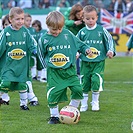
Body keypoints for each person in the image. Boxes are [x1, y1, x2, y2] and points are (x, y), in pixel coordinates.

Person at [38, 11, 92, 124]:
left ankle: (71, 110)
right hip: (55, 73)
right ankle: (54, 116)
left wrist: (86, 49)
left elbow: (79, 44)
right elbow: (41, 55)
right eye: (54, 30)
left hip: (70, 71)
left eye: (59, 29)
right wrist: (45, 68)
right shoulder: (44, 39)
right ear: (48, 26)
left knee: (78, 90)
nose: (57, 32)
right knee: (53, 94)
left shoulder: (68, 34)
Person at [76, 5, 116, 112]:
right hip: (85, 62)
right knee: (84, 82)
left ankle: (95, 102)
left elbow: (110, 40)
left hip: (98, 62)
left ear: (97, 18)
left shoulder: (102, 30)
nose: (90, 21)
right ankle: (83, 104)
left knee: (96, 80)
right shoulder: (82, 32)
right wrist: (77, 53)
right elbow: (77, 44)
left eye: (93, 18)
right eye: (88, 18)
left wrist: (110, 51)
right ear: (83, 18)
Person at [0, 7, 37, 110]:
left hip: (22, 65)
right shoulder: (6, 32)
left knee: (22, 85)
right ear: (10, 20)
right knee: (5, 82)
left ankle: (23, 104)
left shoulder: (25, 31)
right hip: (9, 65)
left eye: (22, 19)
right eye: (17, 19)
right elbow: (1, 47)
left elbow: (31, 43)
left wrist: (34, 50)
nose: (21, 21)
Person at [64, 3, 85, 77]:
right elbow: (65, 22)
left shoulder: (84, 15)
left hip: (78, 37)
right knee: (71, 54)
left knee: (78, 54)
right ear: (74, 13)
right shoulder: (68, 12)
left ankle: (79, 71)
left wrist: (84, 20)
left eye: (81, 14)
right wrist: (74, 23)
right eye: (78, 14)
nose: (80, 16)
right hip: (68, 36)